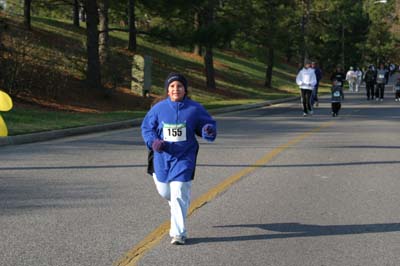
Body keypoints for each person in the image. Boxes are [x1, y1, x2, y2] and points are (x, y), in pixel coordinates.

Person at [141, 73, 217, 245]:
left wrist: (208, 129)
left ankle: (178, 233)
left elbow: (207, 125)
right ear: (168, 90)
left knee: (179, 192)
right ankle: (177, 203)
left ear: (185, 89)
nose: (176, 89)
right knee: (166, 193)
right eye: (172, 86)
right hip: (161, 158)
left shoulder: (194, 108)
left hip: (184, 158)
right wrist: (153, 142)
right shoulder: (158, 109)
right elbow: (147, 128)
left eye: (180, 86)